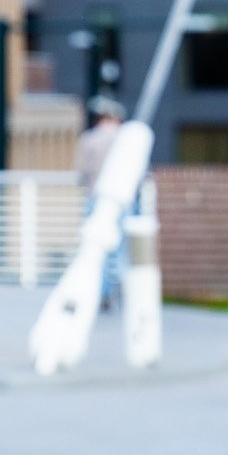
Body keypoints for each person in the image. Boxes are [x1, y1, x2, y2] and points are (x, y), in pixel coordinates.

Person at [74, 96, 125, 311]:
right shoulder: (124, 140)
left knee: (95, 247)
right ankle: (114, 288)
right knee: (119, 248)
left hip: (95, 197)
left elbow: (81, 173)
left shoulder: (90, 139)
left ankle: (99, 291)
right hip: (121, 201)